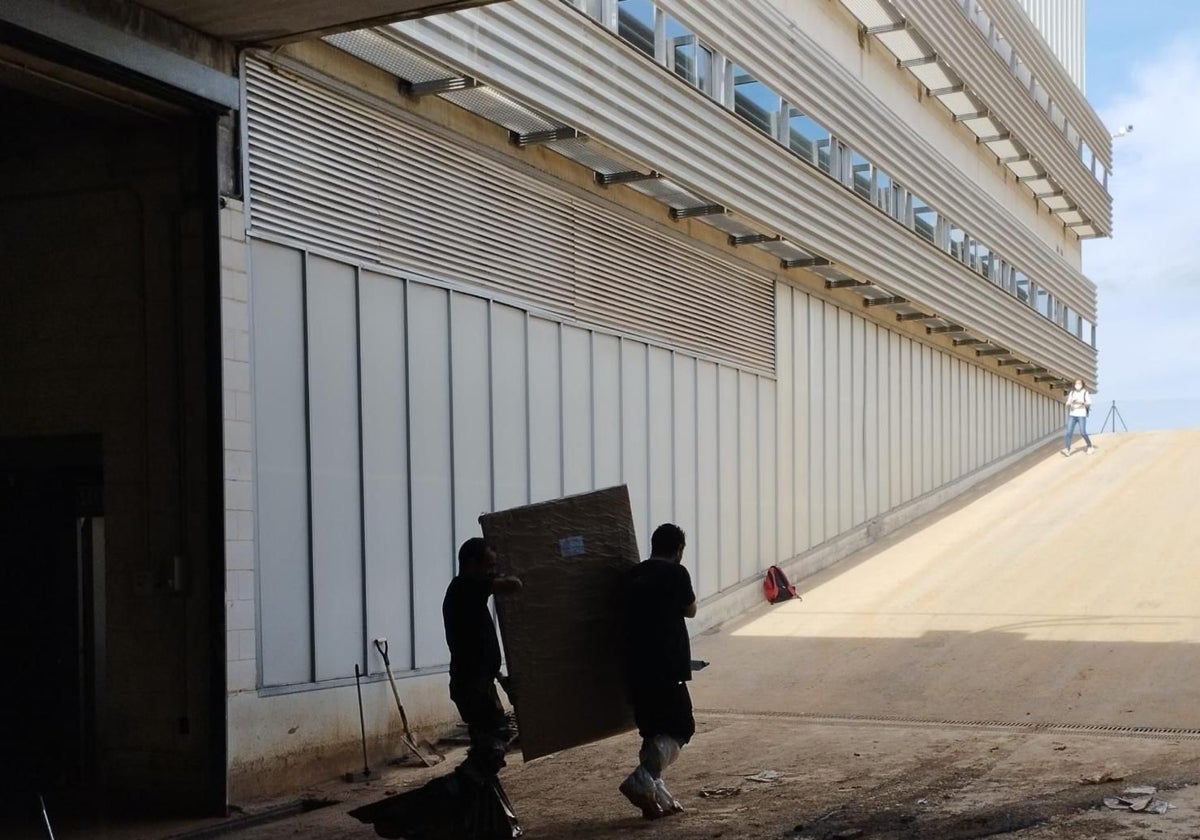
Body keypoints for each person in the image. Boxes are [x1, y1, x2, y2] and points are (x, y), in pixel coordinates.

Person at [619, 523, 697, 820]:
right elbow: (690, 610)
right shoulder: (676, 573)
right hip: (667, 664)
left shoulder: (632, 575)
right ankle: (643, 779)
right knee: (681, 727)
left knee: (653, 729)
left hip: (634, 665)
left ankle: (655, 795)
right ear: (678, 550)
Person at [443, 537, 522, 781]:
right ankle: (462, 788)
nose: (492, 571)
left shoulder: (469, 592)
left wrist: (499, 678)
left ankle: (474, 789)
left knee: (489, 743)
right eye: (489, 565)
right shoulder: (464, 587)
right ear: (470, 563)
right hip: (472, 685)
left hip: (479, 682)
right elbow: (514, 585)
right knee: (491, 743)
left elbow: (478, 643)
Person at [1064, 379, 1094, 456]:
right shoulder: (1072, 393)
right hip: (1072, 414)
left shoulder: (1085, 392)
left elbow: (1089, 402)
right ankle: (1067, 449)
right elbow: (1068, 402)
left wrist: (1082, 403)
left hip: (1081, 415)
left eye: (1079, 383)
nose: (1077, 385)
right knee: (1068, 432)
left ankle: (1090, 446)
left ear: (1082, 384)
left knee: (1083, 432)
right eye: (1076, 383)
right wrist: (1070, 403)